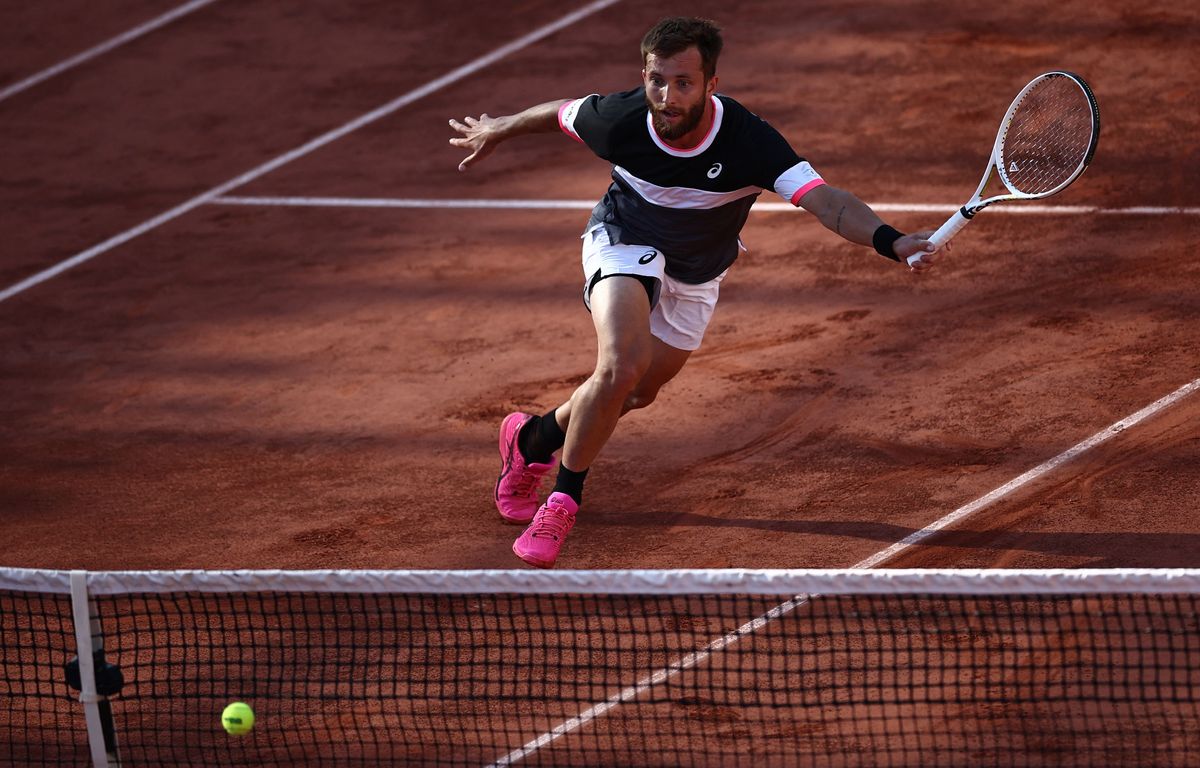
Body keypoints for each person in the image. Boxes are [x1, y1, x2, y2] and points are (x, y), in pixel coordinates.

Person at [449, 17, 940, 568]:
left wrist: (889, 240)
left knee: (634, 394)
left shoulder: (750, 140)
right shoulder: (621, 118)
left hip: (698, 271)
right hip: (623, 237)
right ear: (645, 75)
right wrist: (499, 127)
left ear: (710, 81)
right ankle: (563, 501)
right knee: (620, 366)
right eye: (658, 80)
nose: (668, 95)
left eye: (684, 82)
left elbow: (828, 202)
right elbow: (561, 113)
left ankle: (532, 441)